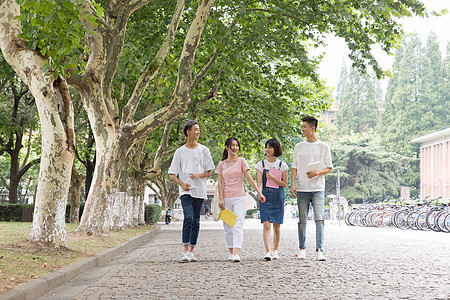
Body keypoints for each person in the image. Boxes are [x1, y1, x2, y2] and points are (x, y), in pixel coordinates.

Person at [168, 120, 215, 263]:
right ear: (188, 132)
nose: (198, 132)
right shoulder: (180, 152)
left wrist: (197, 176)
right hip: (185, 191)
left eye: (199, 129)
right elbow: (171, 174)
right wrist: (182, 184)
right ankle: (185, 250)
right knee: (188, 218)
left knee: (196, 221)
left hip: (199, 190)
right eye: (196, 129)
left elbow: (209, 172)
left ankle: (191, 251)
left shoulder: (204, 150)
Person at [216, 137, 265, 262]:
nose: (235, 148)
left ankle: (237, 252)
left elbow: (249, 178)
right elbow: (220, 183)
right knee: (228, 226)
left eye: (236, 145)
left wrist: (259, 193)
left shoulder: (242, 161)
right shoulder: (221, 164)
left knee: (238, 224)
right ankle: (231, 252)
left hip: (239, 198)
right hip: (226, 198)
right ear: (226, 147)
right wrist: (221, 199)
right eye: (232, 145)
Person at [290, 116, 332, 261]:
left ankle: (319, 250)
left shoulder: (324, 146)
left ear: (312, 128)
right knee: (302, 221)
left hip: (318, 188)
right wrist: (292, 184)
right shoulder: (298, 147)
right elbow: (294, 167)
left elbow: (329, 168)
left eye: (304, 127)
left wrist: (316, 173)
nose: (302, 129)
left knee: (319, 219)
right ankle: (302, 249)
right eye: (302, 126)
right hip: (302, 188)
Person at [256, 138, 289, 261]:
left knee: (277, 226)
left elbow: (284, 184)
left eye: (270, 147)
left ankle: (275, 250)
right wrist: (259, 193)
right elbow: (260, 182)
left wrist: (273, 178)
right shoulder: (261, 165)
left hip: (277, 197)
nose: (267, 150)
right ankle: (268, 251)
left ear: (276, 149)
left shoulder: (282, 165)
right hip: (264, 197)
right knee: (266, 225)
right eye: (266, 147)